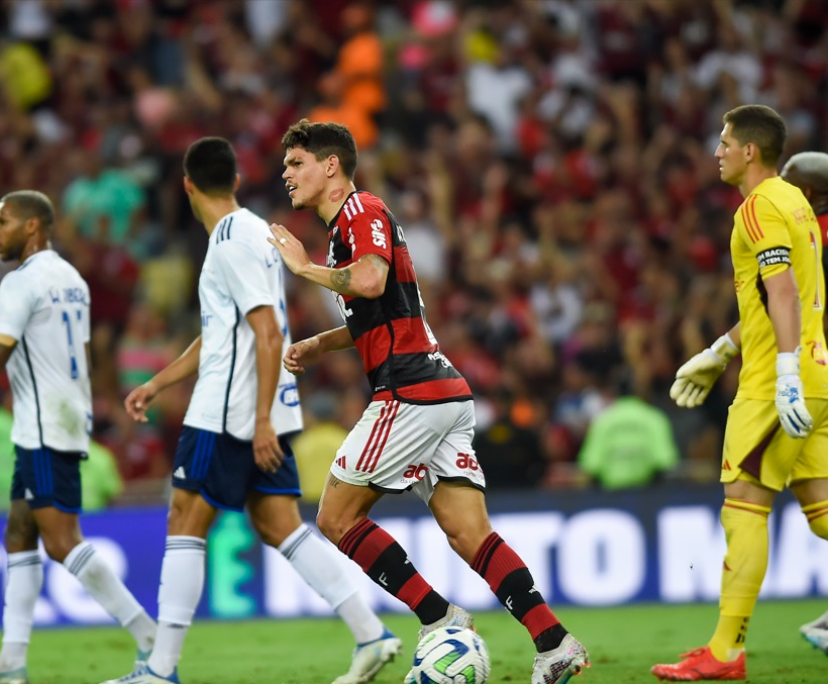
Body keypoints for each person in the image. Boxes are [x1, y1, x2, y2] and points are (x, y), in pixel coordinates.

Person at [267, 119, 588, 684]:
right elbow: (384, 306)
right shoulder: (350, 224)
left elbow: (367, 282)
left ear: (331, 166)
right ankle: (554, 642)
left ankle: (439, 618)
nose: (286, 174)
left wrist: (302, 268)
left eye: (296, 163)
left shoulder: (360, 211)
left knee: (336, 518)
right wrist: (322, 342)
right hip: (444, 393)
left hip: (409, 392)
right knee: (470, 534)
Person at [115, 137, 400, 684]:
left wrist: (262, 418)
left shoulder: (230, 239)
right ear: (236, 182)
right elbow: (222, 333)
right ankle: (371, 632)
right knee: (277, 525)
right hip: (254, 404)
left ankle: (160, 670)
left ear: (188, 186)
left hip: (231, 410)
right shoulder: (254, 234)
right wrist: (157, 382)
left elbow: (267, 332)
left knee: (184, 520)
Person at [0, 191, 156, 684]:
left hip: (44, 424)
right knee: (19, 533)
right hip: (56, 418)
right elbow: (80, 357)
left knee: (63, 542)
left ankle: (152, 640)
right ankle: (10, 664)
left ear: (33, 228)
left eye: (2, 222)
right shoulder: (72, 279)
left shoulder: (19, 283)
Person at [654, 105, 828, 680]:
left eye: (725, 142)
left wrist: (781, 375)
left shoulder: (757, 208)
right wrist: (717, 352)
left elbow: (782, 294)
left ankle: (725, 652)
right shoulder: (798, 204)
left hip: (779, 381)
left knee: (745, 507)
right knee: (823, 511)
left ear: (750, 151)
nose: (718, 151)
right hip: (816, 370)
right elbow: (780, 298)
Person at [781, 149, 828, 655]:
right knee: (819, 508)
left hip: (813, 373)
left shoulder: (811, 239)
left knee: (745, 496)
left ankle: (726, 650)